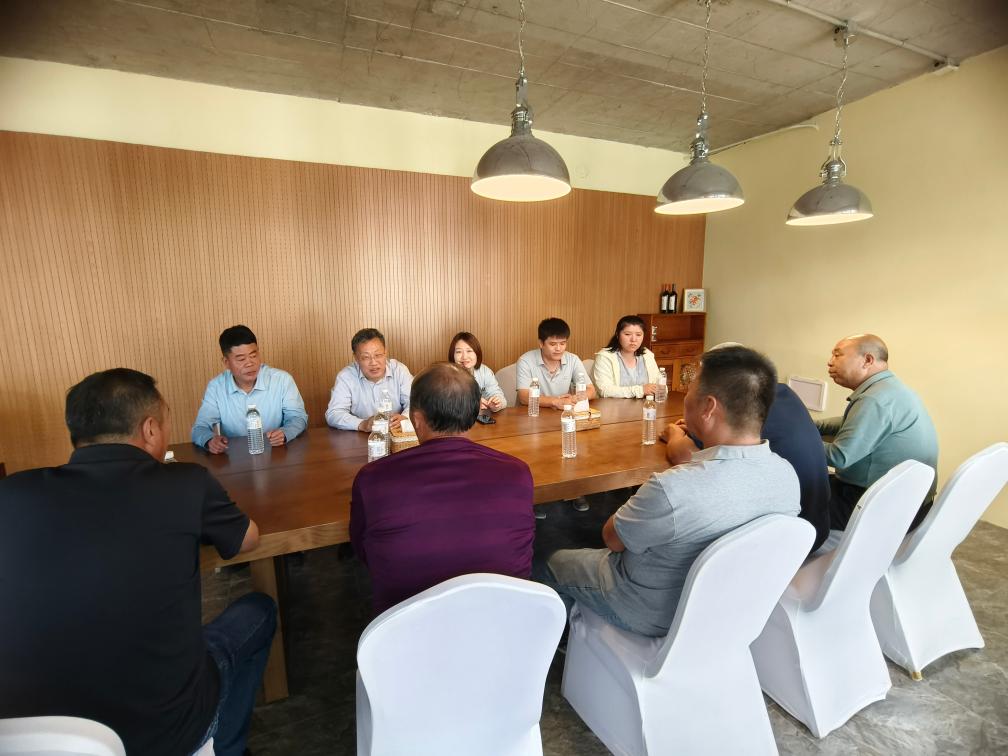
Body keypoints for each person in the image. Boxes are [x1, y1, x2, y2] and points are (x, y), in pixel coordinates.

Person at [0, 368, 275, 756]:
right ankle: (226, 745)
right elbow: (248, 538)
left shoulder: (12, 493)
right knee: (259, 611)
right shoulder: (185, 483)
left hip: (29, 741)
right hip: (165, 734)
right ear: (149, 429)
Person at [537, 346, 800, 637]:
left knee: (550, 561)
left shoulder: (673, 488)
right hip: (729, 607)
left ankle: (563, 641)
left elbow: (612, 539)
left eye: (691, 387)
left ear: (708, 407)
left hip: (651, 610)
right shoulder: (786, 476)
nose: (686, 395)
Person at [350, 362, 535, 615]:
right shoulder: (518, 473)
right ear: (473, 414)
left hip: (403, 629)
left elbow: (364, 551)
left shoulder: (373, 479)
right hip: (505, 622)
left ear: (416, 420)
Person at [663, 342, 830, 554]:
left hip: (779, 546)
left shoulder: (733, 408)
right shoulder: (781, 394)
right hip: (811, 526)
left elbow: (683, 455)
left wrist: (674, 433)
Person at [818, 333, 938, 530]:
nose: (830, 362)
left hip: (880, 507)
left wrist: (794, 440)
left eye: (837, 355)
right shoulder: (891, 389)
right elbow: (857, 422)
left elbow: (838, 457)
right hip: (911, 502)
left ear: (867, 360)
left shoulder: (874, 400)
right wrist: (814, 425)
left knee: (791, 499)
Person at [191, 324, 308, 453]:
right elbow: (200, 427)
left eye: (253, 356)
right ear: (226, 362)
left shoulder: (281, 380)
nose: (250, 363)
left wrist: (285, 433)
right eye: (241, 359)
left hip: (277, 453)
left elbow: (298, 417)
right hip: (235, 458)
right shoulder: (216, 387)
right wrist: (209, 440)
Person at [325, 328, 413, 432]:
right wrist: (363, 424)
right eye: (366, 357)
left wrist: (405, 418)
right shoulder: (346, 377)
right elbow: (334, 413)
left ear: (385, 352)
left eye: (378, 355)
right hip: (360, 437)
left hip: (396, 434)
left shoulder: (399, 371)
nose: (373, 363)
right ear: (356, 358)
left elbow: (415, 404)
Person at [516, 317, 597, 410]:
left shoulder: (573, 359)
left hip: (562, 413)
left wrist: (573, 399)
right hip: (532, 413)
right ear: (541, 343)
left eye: (562, 343)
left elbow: (591, 390)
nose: (558, 349)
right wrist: (555, 402)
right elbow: (523, 397)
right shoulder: (525, 361)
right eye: (553, 344)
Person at [592, 314, 661, 398]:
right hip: (614, 405)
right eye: (627, 334)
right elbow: (605, 390)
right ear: (617, 334)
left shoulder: (647, 355)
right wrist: (641, 390)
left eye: (638, 335)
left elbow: (660, 384)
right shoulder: (605, 357)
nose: (633, 339)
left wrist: (659, 389)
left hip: (646, 404)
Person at [449, 331, 506, 412]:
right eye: (458, 352)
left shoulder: (485, 371)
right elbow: (444, 405)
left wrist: (497, 404)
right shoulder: (446, 374)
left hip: (481, 417)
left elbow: (500, 397)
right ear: (452, 355)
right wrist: (473, 404)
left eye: (469, 351)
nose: (464, 357)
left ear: (477, 353)